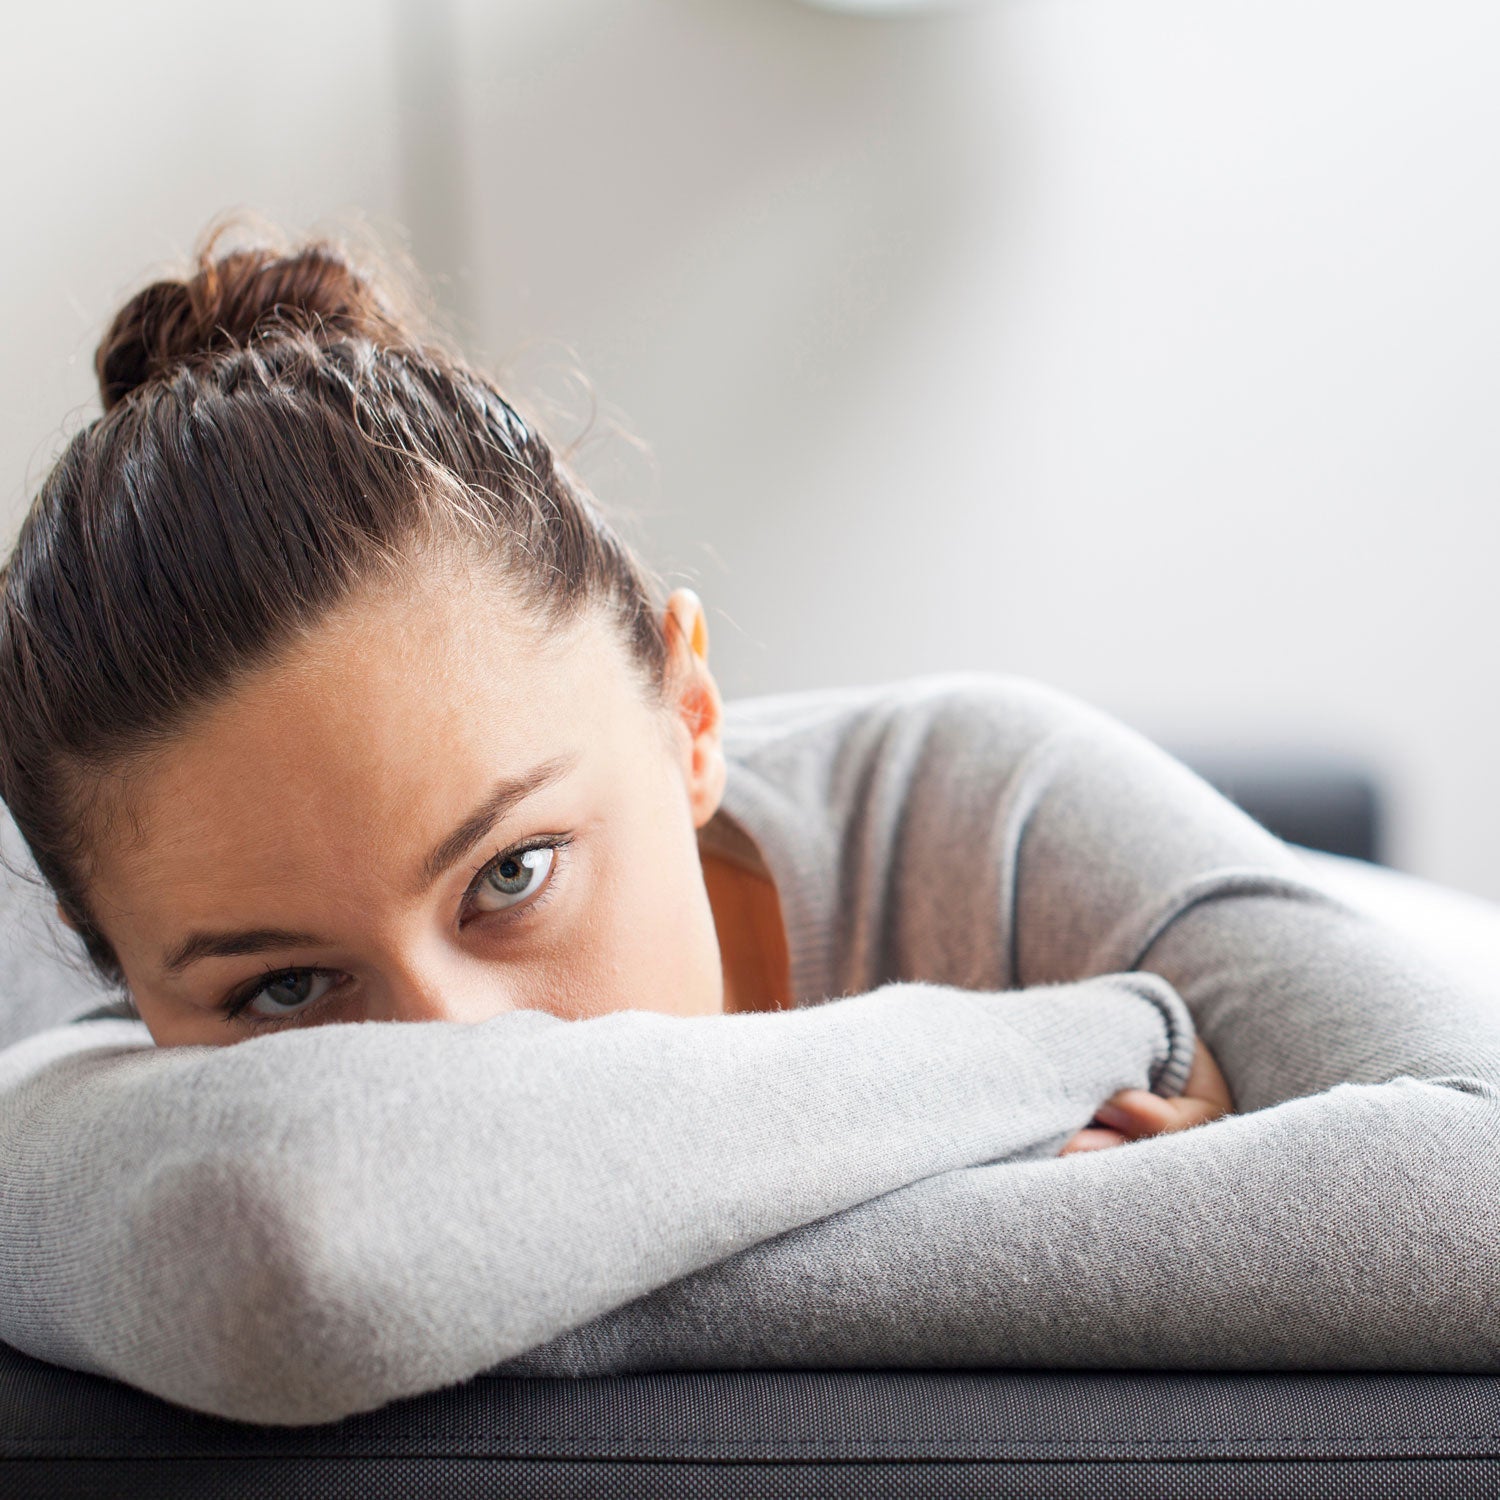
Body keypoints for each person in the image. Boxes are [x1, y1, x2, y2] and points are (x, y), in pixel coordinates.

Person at [0, 231, 1495, 1428]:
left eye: (513, 874)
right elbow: (288, 1259)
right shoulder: (74, 1061)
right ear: (109, 966)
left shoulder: (993, 805)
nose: (455, 1058)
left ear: (690, 714)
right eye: (284, 990)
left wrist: (498, 1265)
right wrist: (1075, 1048)